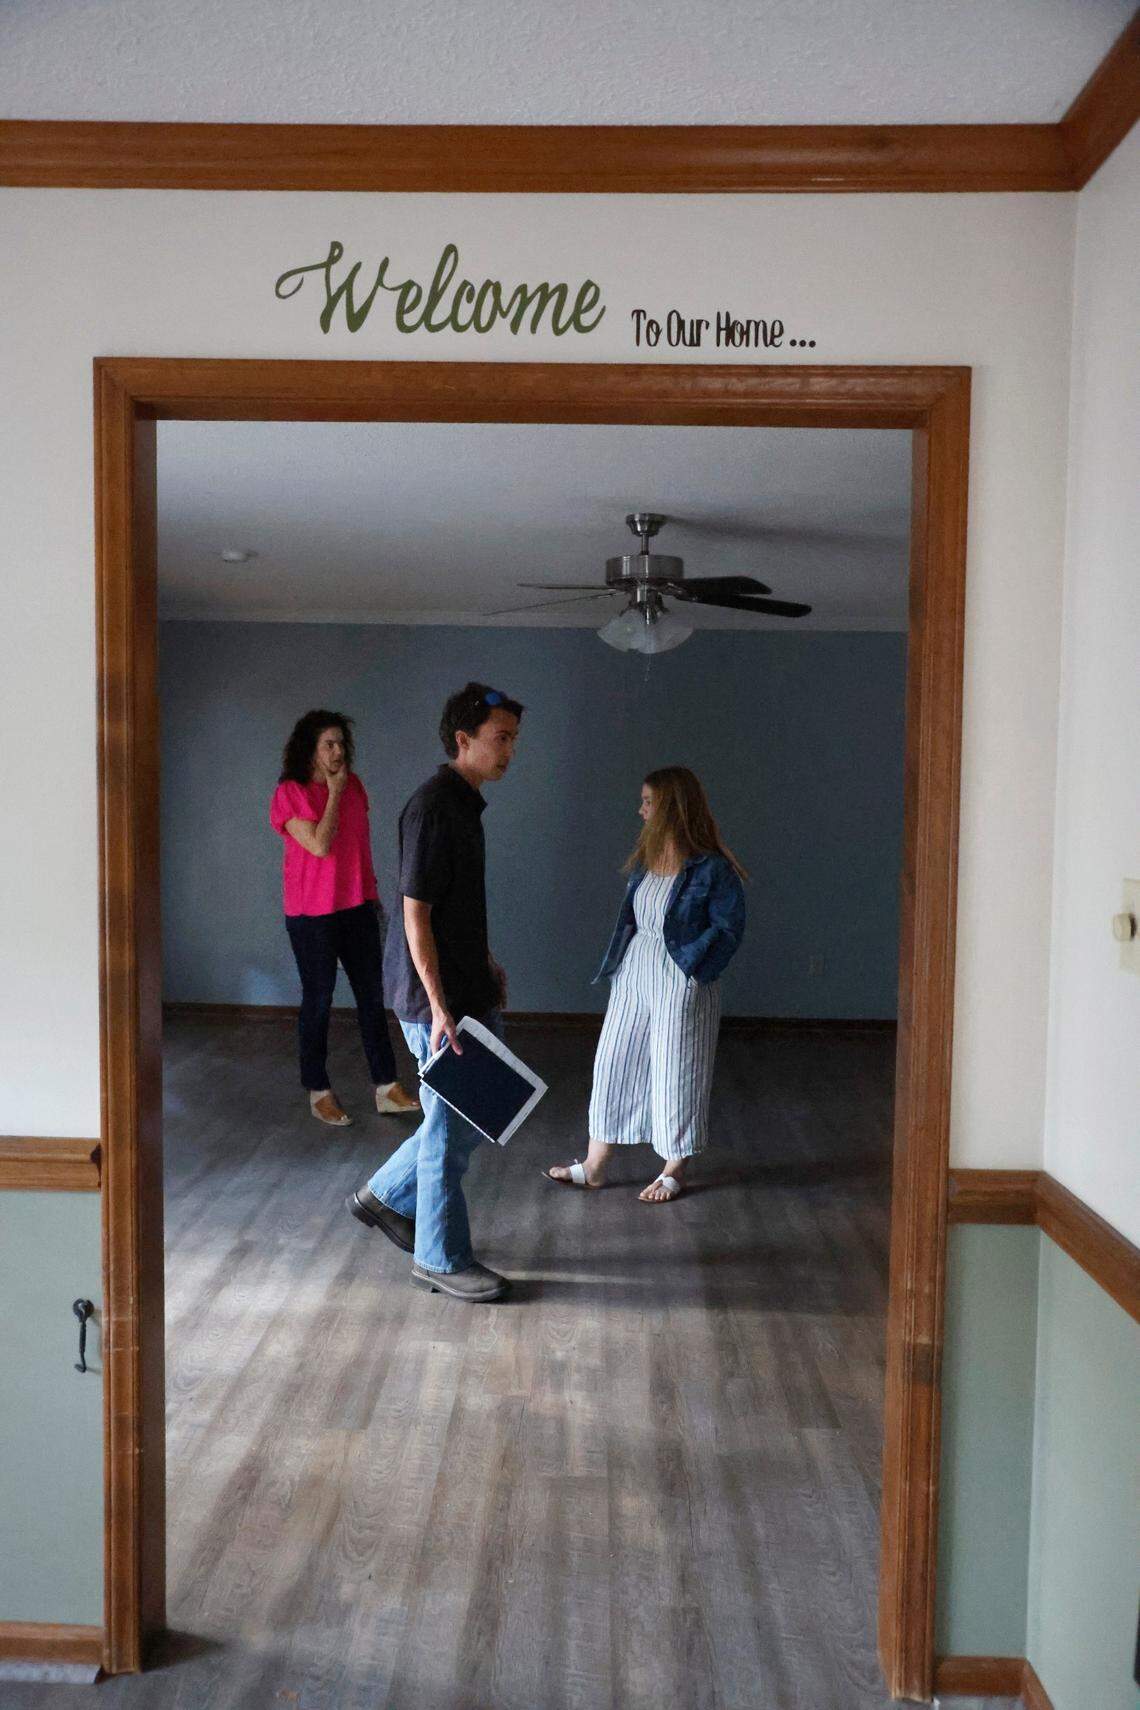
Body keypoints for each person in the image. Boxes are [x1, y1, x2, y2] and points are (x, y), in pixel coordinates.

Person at [348, 682, 523, 1303]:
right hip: (435, 999)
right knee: (449, 1129)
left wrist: (485, 958)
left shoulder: (465, 804)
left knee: (483, 1111)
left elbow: (453, 909)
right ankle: (440, 1260)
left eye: (512, 740)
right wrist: (441, 1006)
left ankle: (383, 1196)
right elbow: (414, 914)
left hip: (466, 985)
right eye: (500, 739)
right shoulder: (431, 808)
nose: (509, 751)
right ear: (463, 739)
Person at [547, 766, 746, 1202]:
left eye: (647, 802)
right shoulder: (647, 860)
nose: (640, 810)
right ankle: (596, 1165)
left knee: (678, 1067)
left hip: (681, 974)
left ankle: (675, 1167)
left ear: (671, 808)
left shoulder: (712, 868)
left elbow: (729, 928)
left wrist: (694, 970)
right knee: (614, 1061)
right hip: (636, 968)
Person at [269, 710, 420, 1127]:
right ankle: (318, 1090)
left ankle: (386, 1086)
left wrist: (372, 897)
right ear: (310, 750)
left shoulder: (355, 785)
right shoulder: (291, 792)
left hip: (356, 907)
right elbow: (319, 845)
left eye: (341, 743)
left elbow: (359, 848)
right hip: (311, 915)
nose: (338, 752)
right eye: (328, 744)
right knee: (317, 1001)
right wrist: (333, 794)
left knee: (372, 998)